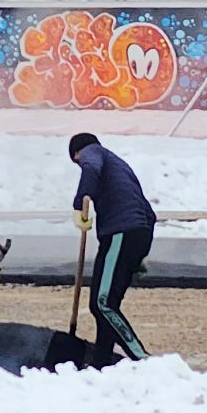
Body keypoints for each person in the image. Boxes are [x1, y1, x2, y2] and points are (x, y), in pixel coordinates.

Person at [69, 132, 157, 366]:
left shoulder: (92, 152)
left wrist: (80, 204)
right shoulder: (121, 166)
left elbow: (90, 168)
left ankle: (142, 358)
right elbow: (150, 214)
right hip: (136, 232)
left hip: (120, 232)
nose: (80, 164)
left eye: (76, 161)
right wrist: (139, 253)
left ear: (77, 153)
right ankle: (101, 360)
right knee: (107, 306)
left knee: (102, 302)